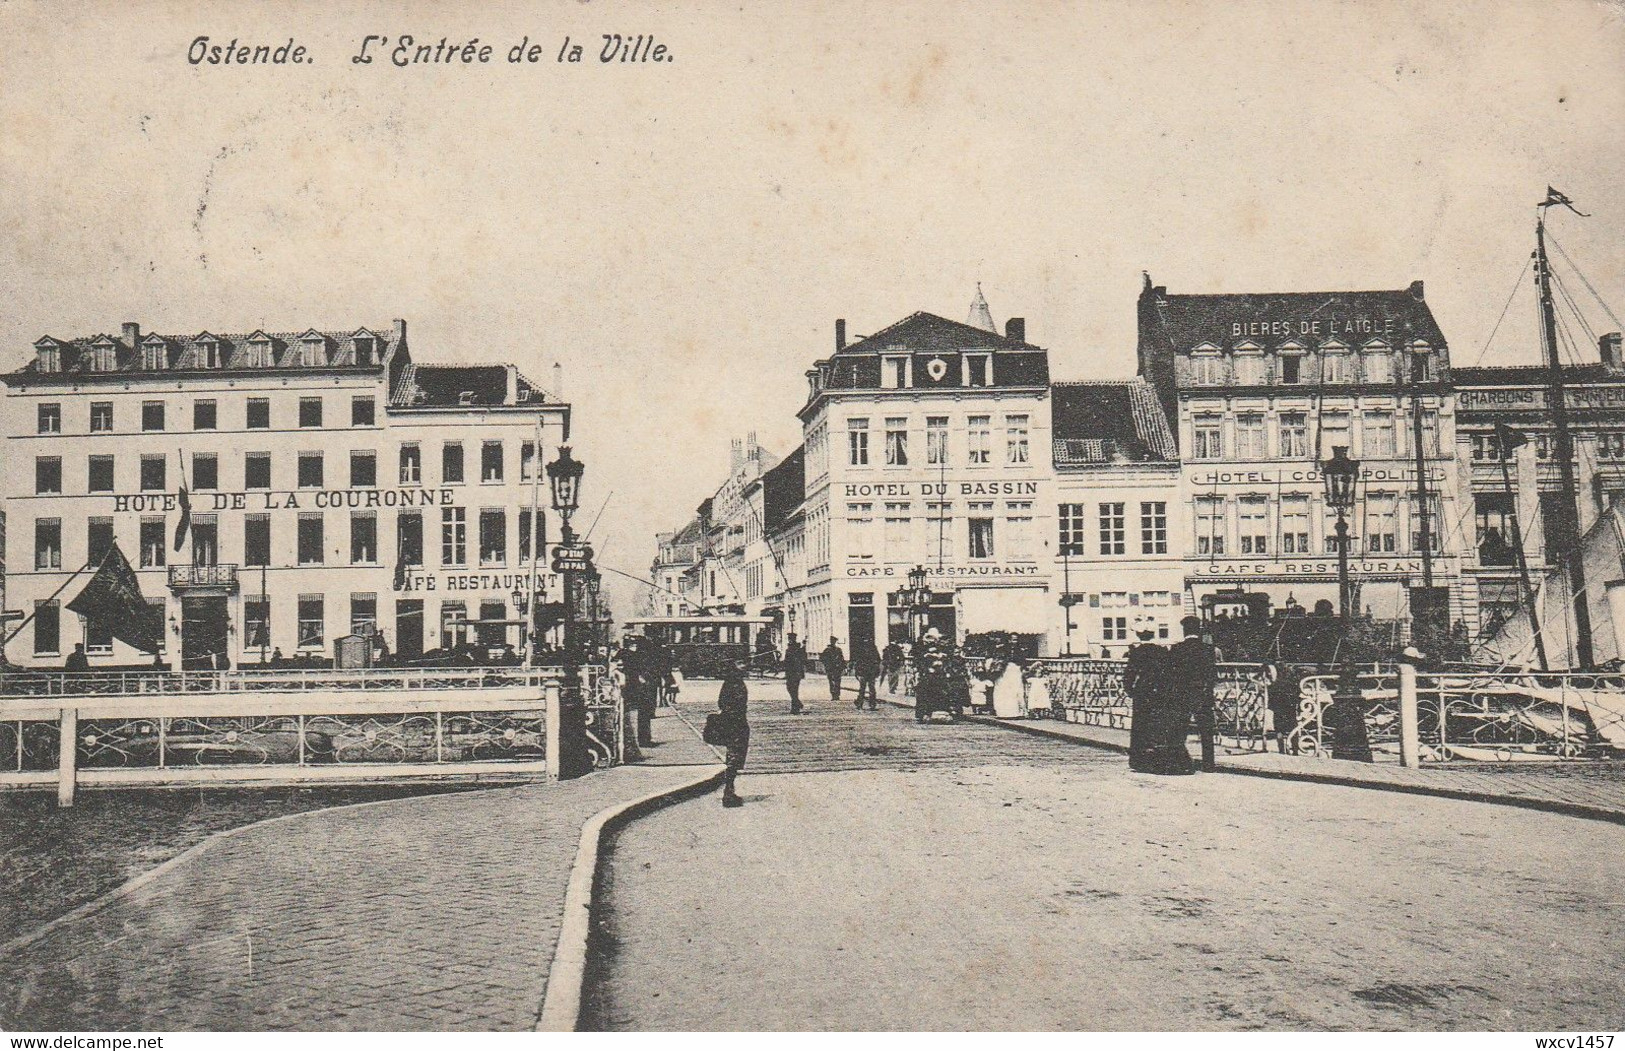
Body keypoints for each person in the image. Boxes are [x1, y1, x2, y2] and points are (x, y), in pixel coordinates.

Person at [1163, 615, 1220, 773]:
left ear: (1184, 631)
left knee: (1179, 729)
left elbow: (1171, 675)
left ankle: (1179, 763)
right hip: (1203, 694)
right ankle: (1209, 765)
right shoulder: (1208, 649)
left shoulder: (1176, 649)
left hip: (1183, 695)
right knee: (1206, 731)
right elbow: (1213, 676)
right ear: (1198, 630)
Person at [1123, 617, 1168, 772]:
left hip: (1142, 692)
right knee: (1157, 724)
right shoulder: (1161, 650)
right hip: (1159, 691)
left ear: (1139, 635)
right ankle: (1158, 758)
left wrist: (1130, 690)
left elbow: (1129, 674)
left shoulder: (1136, 652)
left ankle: (1139, 760)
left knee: (1140, 725)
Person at [706, 669, 751, 808]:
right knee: (735, 758)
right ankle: (728, 792)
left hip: (730, 722)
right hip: (737, 724)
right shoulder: (736, 684)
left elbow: (721, 703)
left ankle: (729, 790)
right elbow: (738, 704)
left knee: (732, 756)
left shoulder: (728, 683)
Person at [1266, 661, 1299, 754]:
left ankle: (1281, 749)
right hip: (1290, 707)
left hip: (1278, 709)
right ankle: (1295, 749)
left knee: (1279, 729)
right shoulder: (1292, 682)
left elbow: (1271, 700)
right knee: (1293, 727)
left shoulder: (1274, 685)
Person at [851, 637, 882, 710]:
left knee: (862, 688)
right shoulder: (874, 649)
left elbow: (858, 662)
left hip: (864, 672)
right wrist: (877, 671)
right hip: (870, 672)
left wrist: (857, 672)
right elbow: (878, 661)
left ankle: (860, 703)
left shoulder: (861, 650)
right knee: (871, 688)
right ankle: (872, 704)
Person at [782, 633, 807, 714]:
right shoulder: (792, 648)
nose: (789, 640)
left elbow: (799, 660)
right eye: (789, 638)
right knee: (791, 689)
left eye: (791, 638)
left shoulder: (795, 649)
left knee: (793, 689)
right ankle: (797, 704)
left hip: (794, 672)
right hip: (792, 672)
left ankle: (795, 708)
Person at [821, 637, 846, 703]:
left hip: (837, 668)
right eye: (832, 641)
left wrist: (843, 667)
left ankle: (837, 695)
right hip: (830, 669)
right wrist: (827, 665)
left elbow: (842, 659)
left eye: (834, 641)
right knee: (832, 682)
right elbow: (822, 659)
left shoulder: (838, 650)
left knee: (837, 681)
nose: (833, 642)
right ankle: (833, 694)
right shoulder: (827, 650)